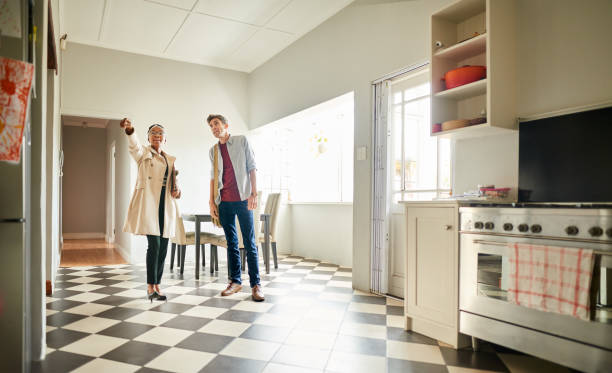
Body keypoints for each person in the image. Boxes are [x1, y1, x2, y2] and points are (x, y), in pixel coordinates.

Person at [120, 118, 185, 302]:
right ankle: (150, 286)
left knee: (163, 247)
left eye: (160, 133)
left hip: (166, 206)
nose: (157, 135)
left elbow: (176, 187)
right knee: (154, 245)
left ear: (165, 139)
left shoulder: (170, 159)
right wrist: (130, 130)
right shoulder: (143, 154)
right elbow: (134, 147)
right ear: (148, 138)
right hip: (149, 204)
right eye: (153, 133)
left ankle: (158, 284)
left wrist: (178, 190)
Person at [208, 114, 264, 302]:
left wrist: (253, 194)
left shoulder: (241, 141)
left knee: (249, 242)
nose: (214, 127)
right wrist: (211, 203)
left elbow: (252, 167)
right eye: (211, 126)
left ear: (225, 125)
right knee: (231, 242)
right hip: (223, 201)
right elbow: (213, 178)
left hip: (243, 199)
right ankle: (235, 281)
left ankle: (256, 285)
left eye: (216, 124)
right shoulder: (213, 151)